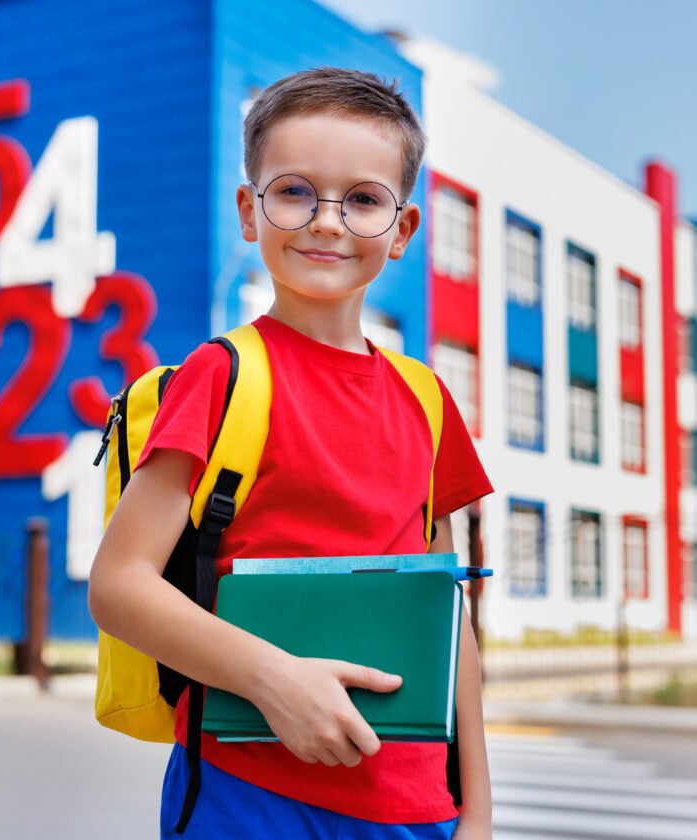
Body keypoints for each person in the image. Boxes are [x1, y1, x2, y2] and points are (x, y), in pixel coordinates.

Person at [88, 67, 494, 839]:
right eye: (295, 191)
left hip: (415, 806)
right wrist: (276, 681)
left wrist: (477, 806)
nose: (328, 222)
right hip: (250, 795)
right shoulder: (222, 375)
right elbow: (119, 584)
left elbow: (449, 614)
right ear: (250, 209)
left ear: (403, 230)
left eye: (364, 199)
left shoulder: (429, 400)